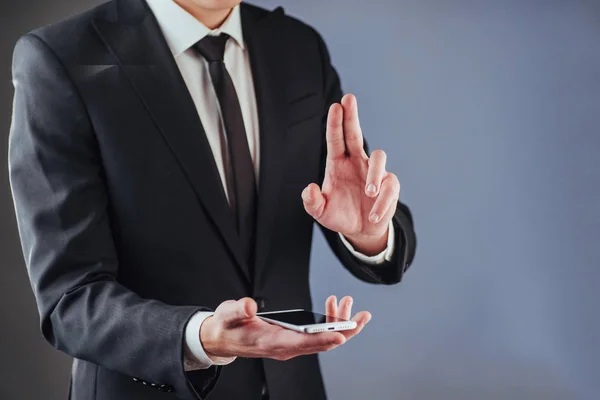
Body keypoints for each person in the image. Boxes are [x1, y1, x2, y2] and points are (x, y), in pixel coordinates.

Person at [8, 0, 417, 399]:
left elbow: (354, 199)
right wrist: (201, 337)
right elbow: (70, 299)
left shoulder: (298, 46)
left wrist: (370, 234)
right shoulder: (63, 57)